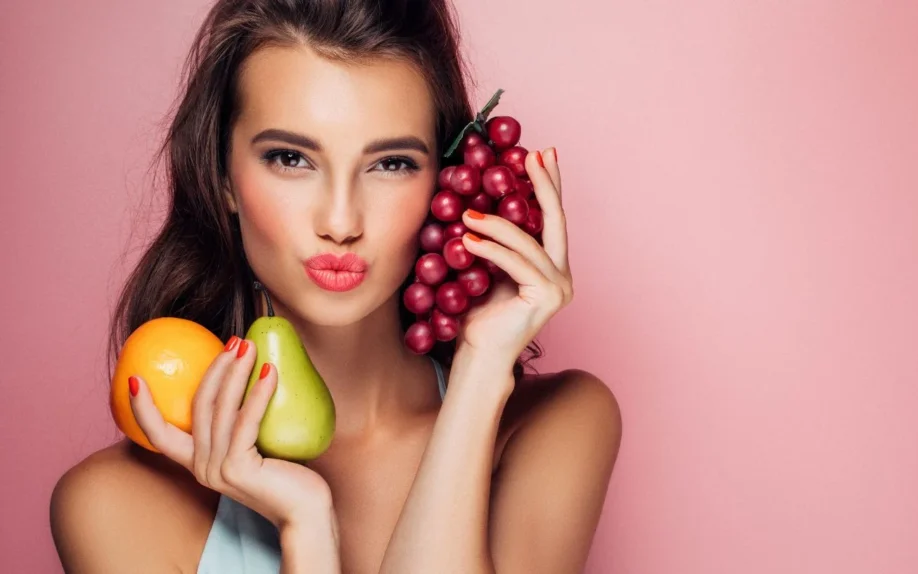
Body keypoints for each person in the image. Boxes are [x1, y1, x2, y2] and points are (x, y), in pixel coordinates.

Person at [49, 1, 622, 572]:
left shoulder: (554, 428)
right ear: (222, 175)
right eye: (291, 158)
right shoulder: (113, 506)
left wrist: (479, 373)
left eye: (391, 163)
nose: (342, 222)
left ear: (441, 181)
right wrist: (306, 524)